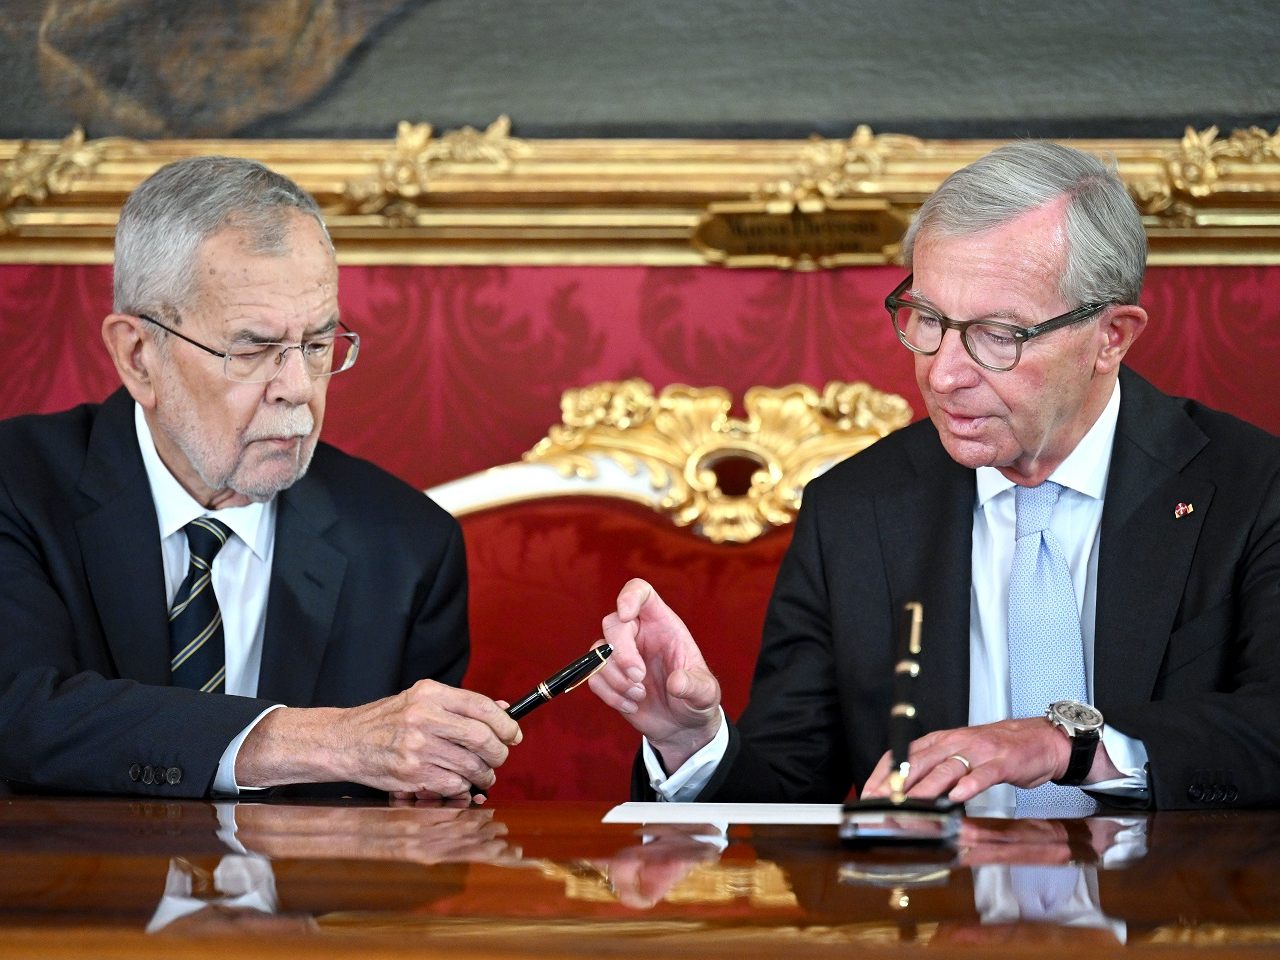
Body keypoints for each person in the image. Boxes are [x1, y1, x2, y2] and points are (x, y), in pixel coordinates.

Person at [588, 141, 1280, 812]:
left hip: (1174, 917)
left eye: (998, 334)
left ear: (1112, 337)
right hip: (938, 921)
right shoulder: (856, 508)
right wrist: (690, 741)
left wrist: (1069, 746)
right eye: (928, 319)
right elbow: (787, 801)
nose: (943, 373)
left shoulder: (1250, 490)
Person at [0, 156, 520, 800]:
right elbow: (19, 715)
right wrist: (319, 741)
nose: (298, 391)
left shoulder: (408, 547)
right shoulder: (17, 486)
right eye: (251, 348)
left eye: (318, 343)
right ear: (138, 356)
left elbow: (413, 834)